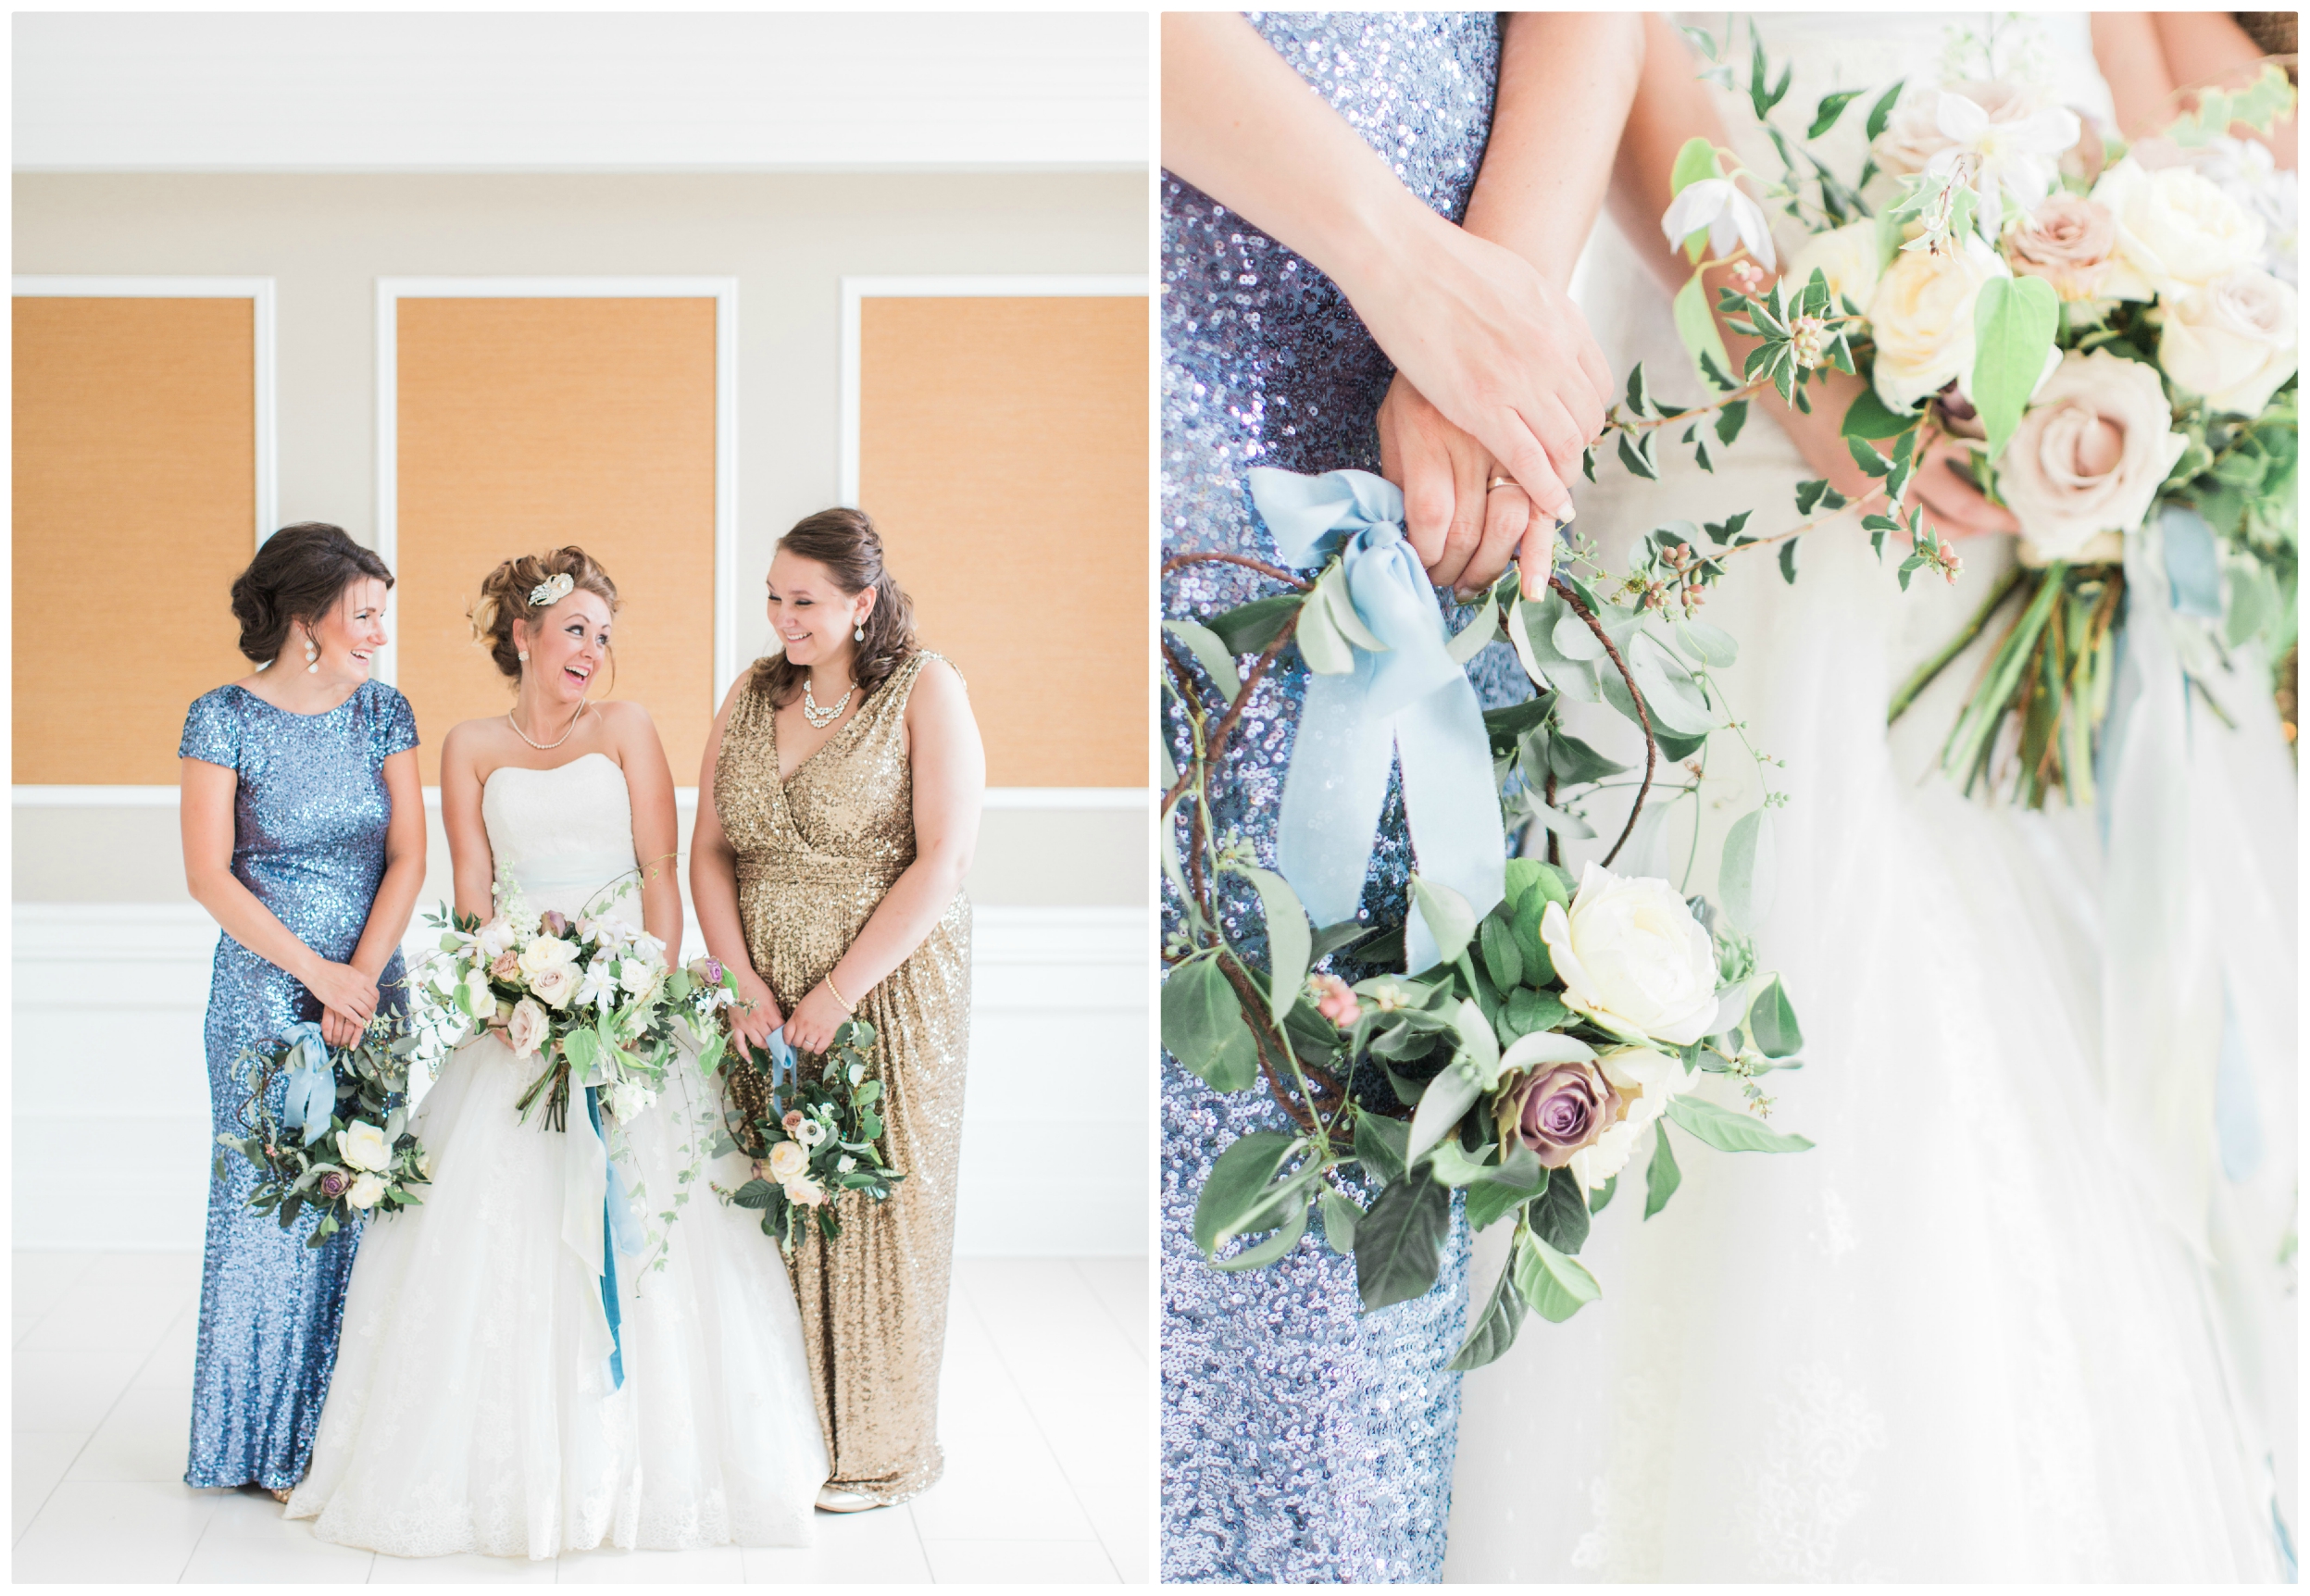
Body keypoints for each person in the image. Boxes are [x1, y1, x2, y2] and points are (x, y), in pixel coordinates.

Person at [1442, 14, 2291, 1580]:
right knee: (1739, 971)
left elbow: (2212, 126)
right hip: (1746, 434)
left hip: (1993, 499)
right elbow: (1646, 96)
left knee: (1993, 1005)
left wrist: (2164, 321)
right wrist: (1802, 378)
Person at [1156, 12, 1637, 1580]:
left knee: (1354, 1247)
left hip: (1436, 439)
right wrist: (1396, 257)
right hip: (1181, 324)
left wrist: (1487, 305)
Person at [286, 548, 826, 1558]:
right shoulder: (466, 744)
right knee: (489, 1231)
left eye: (604, 635)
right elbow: (474, 885)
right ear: (524, 634)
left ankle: (639, 1463)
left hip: (629, 1013)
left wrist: (642, 993)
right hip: (517, 1018)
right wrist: (504, 987)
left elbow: (662, 871)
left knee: (655, 1235)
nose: (592, 651)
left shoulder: (624, 729)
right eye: (574, 628)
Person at [689, 507, 982, 1512]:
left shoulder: (922, 688)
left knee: (869, 1206)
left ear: (861, 602)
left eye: (803, 600)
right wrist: (738, 983)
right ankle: (773, 1433)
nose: (782, 617)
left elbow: (943, 859)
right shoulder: (748, 692)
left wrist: (836, 991)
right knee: (766, 1198)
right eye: (773, 597)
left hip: (885, 993)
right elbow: (709, 851)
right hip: (760, 997)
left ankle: (873, 1447)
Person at [179, 523, 424, 1500]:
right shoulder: (221, 716)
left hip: (371, 994)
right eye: (362, 615)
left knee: (358, 1204)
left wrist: (359, 974)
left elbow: (408, 853)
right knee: (265, 1210)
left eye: (379, 616)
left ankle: (342, 1440)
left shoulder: (383, 714)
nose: (376, 634)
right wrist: (315, 975)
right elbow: (208, 873)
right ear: (305, 616)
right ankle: (253, 1444)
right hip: (262, 994)